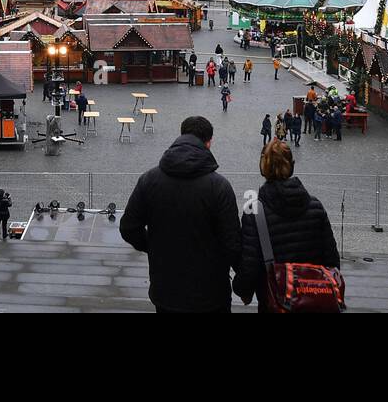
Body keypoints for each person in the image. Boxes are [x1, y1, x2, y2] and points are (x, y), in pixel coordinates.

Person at [120, 116, 241, 313]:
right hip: (211, 293)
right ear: (209, 142)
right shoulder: (219, 186)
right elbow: (233, 244)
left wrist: (154, 246)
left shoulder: (149, 180)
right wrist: (242, 282)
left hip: (166, 290)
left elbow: (128, 228)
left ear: (182, 135)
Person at [232, 140, 341, 312]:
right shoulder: (316, 207)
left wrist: (242, 290)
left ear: (263, 168)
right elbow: (332, 262)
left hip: (274, 302)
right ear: (292, 165)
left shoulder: (255, 212)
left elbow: (249, 266)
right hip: (312, 300)